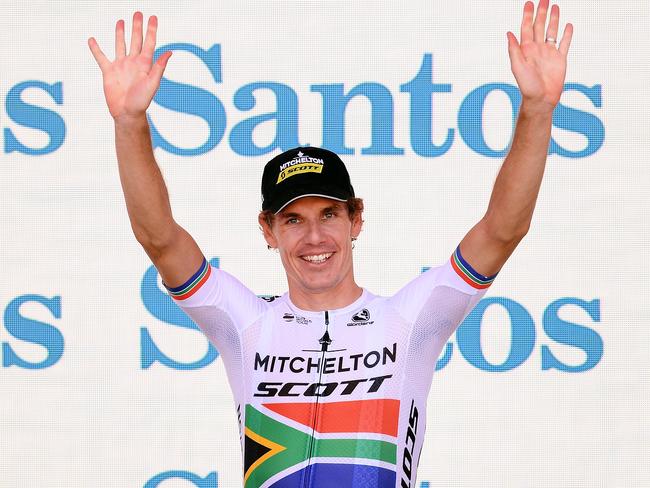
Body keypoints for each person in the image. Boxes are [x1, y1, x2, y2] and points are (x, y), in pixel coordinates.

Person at [89, 1, 572, 486]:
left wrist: (536, 110)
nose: (314, 237)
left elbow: (502, 230)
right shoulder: (245, 325)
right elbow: (159, 237)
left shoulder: (409, 321)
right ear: (267, 231)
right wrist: (130, 122)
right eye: (293, 220)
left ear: (355, 219)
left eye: (329, 214)